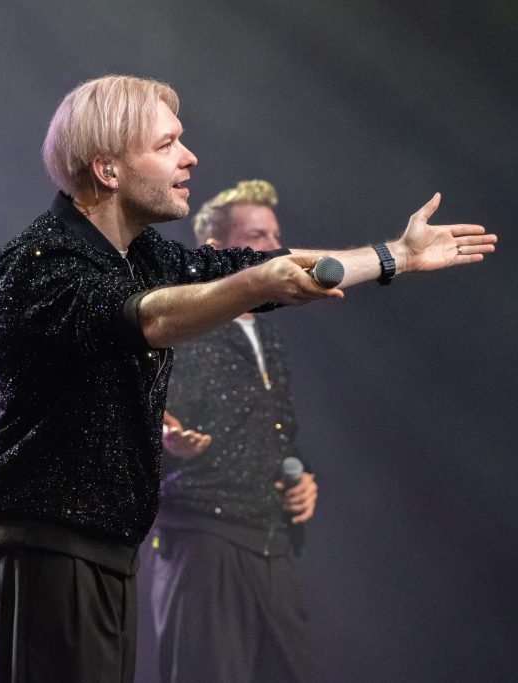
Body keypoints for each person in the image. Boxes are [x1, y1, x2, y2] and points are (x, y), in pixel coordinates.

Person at [0, 74, 496, 682]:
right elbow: (149, 317)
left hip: (101, 547)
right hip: (48, 542)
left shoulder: (144, 256)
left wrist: (396, 256)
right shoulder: (41, 262)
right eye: (166, 144)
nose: (189, 156)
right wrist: (252, 285)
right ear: (108, 170)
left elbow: (272, 267)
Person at [151, 179, 319, 683]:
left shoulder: (266, 331)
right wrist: (166, 442)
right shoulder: (181, 325)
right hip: (205, 544)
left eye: (275, 235)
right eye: (256, 236)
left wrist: (304, 478)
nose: (274, 248)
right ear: (216, 250)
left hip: (272, 544)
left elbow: (275, 428)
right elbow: (133, 421)